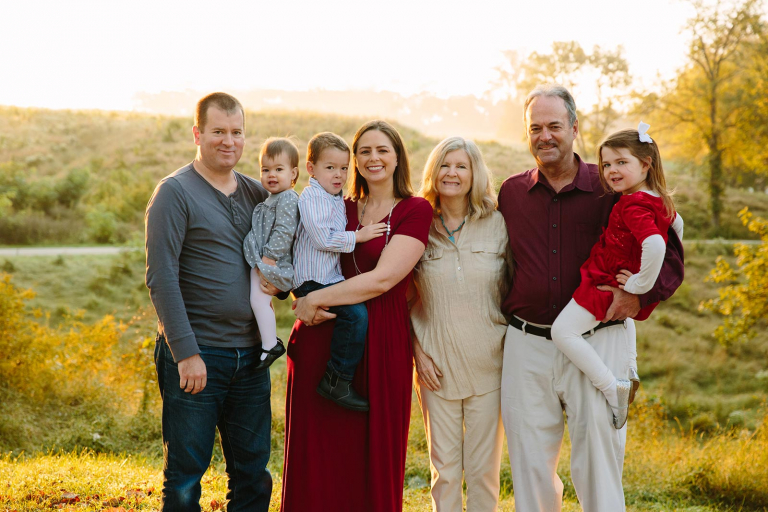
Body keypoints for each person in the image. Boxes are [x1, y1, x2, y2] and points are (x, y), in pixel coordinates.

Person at [497, 84, 684, 512]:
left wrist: (641, 297)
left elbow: (668, 249)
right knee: (529, 465)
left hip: (598, 339)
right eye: (535, 127)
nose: (545, 136)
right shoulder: (510, 193)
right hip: (526, 344)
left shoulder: (611, 186)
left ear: (575, 129)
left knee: (598, 463)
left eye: (555, 126)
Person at [280, 120, 432, 512]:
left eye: (382, 149)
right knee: (317, 452)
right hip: (320, 338)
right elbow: (294, 245)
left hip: (381, 340)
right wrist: (282, 285)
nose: (373, 158)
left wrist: (314, 299)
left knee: (370, 453)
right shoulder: (337, 205)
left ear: (398, 157)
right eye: (364, 151)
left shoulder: (414, 210)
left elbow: (383, 280)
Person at [146, 92, 275, 512]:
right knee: (185, 478)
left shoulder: (257, 194)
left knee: (253, 474)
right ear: (198, 134)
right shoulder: (175, 192)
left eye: (237, 132)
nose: (229, 141)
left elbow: (278, 255)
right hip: (199, 357)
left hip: (252, 359)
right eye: (218, 131)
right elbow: (161, 277)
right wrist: (186, 353)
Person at [551, 123, 684, 429]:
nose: (611, 170)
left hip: (606, 279)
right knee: (623, 323)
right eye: (607, 164)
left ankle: (614, 389)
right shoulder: (657, 198)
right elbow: (678, 227)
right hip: (615, 272)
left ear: (645, 164)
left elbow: (654, 243)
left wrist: (639, 283)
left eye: (622, 163)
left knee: (563, 332)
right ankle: (632, 368)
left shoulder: (633, 204)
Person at [410, 136, 511, 512]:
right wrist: (418, 354)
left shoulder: (499, 223)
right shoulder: (417, 222)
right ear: (434, 171)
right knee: (446, 471)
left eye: (461, 166)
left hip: (491, 365)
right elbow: (402, 298)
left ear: (474, 173)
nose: (451, 173)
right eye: (445, 165)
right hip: (436, 367)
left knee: (484, 471)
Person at [291, 132, 386, 411]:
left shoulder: (333, 197)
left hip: (327, 279)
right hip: (312, 281)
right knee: (355, 315)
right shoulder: (312, 198)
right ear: (311, 168)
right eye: (330, 167)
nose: (339, 174)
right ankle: (337, 380)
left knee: (353, 313)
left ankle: (338, 377)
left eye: (344, 168)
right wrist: (359, 236)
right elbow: (323, 238)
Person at [242, 137, 300, 369]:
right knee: (259, 300)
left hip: (272, 260)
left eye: (278, 169)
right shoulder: (273, 198)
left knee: (258, 299)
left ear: (293, 173)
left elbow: (285, 230)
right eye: (266, 170)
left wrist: (269, 257)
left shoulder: (287, 198)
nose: (271, 175)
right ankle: (268, 342)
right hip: (264, 259)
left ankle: (270, 345)